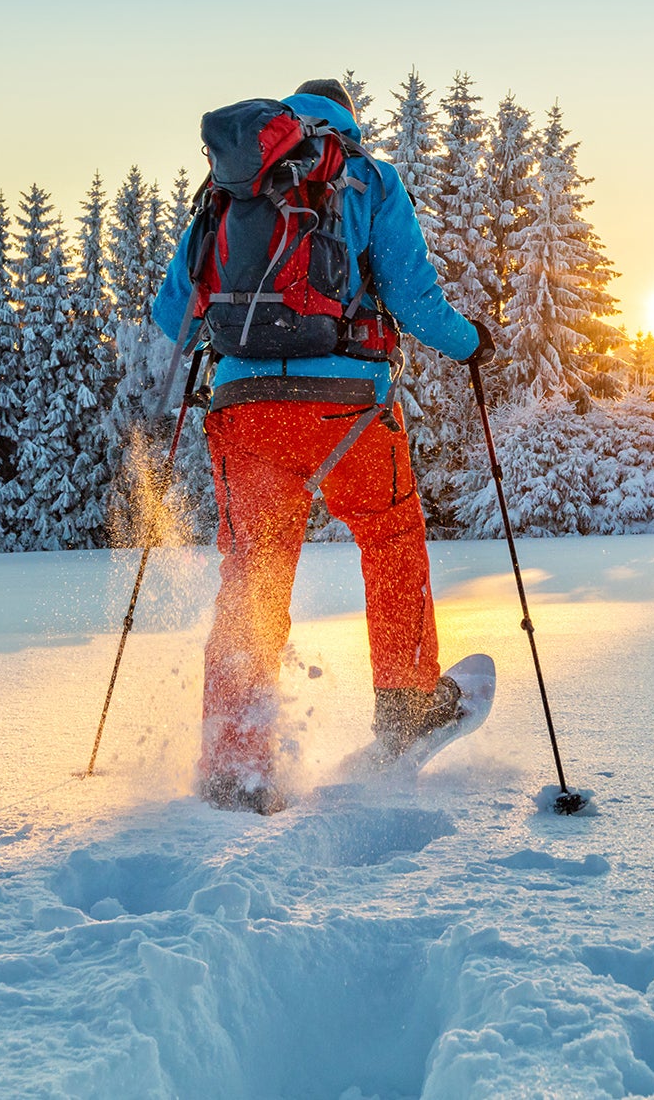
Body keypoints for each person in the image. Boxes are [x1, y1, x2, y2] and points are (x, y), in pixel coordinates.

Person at [148, 78, 490, 813]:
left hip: (244, 412)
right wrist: (472, 346)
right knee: (390, 536)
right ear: (349, 122)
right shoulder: (365, 176)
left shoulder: (229, 188)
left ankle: (236, 764)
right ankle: (405, 704)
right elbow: (414, 300)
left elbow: (172, 312)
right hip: (348, 408)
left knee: (253, 575)